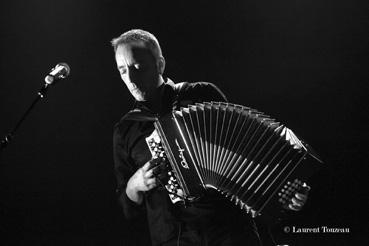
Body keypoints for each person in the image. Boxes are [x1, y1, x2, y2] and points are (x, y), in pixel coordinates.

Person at [111, 29, 308, 246]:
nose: (130, 78)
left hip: (230, 232)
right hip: (172, 238)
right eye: (122, 70)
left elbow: (249, 147)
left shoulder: (201, 94)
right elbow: (126, 207)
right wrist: (134, 185)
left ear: (160, 64)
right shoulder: (126, 129)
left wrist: (284, 190)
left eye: (138, 67)